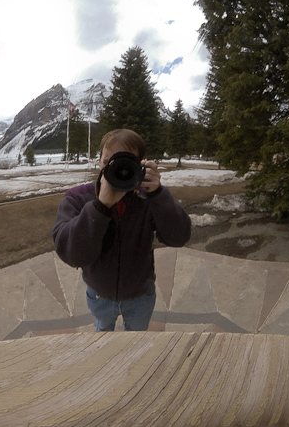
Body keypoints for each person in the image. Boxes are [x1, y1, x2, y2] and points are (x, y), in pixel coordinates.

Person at [52, 129, 191, 331]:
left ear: (140, 165)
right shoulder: (78, 198)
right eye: (108, 160)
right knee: (102, 336)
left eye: (124, 162)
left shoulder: (149, 199)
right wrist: (100, 207)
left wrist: (159, 194)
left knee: (135, 343)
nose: (115, 168)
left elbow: (179, 237)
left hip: (140, 295)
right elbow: (71, 253)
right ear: (99, 162)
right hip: (99, 294)